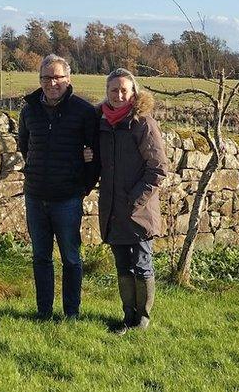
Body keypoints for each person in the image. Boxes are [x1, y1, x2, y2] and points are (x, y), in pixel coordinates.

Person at [18, 54, 99, 320]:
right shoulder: (29, 109)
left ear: (68, 79)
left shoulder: (84, 111)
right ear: (40, 80)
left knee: (71, 258)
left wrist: (82, 188)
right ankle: (44, 312)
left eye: (57, 77)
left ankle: (71, 313)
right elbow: (25, 146)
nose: (52, 83)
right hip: (35, 195)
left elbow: (94, 155)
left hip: (67, 198)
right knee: (41, 257)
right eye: (46, 78)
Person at [87, 68, 169, 332]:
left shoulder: (143, 123)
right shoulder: (102, 123)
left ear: (134, 92)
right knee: (122, 265)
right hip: (112, 209)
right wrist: (89, 157)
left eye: (124, 90)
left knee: (142, 265)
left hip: (138, 210)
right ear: (107, 93)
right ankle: (128, 317)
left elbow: (157, 169)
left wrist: (135, 201)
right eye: (114, 90)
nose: (119, 95)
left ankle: (142, 319)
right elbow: (103, 164)